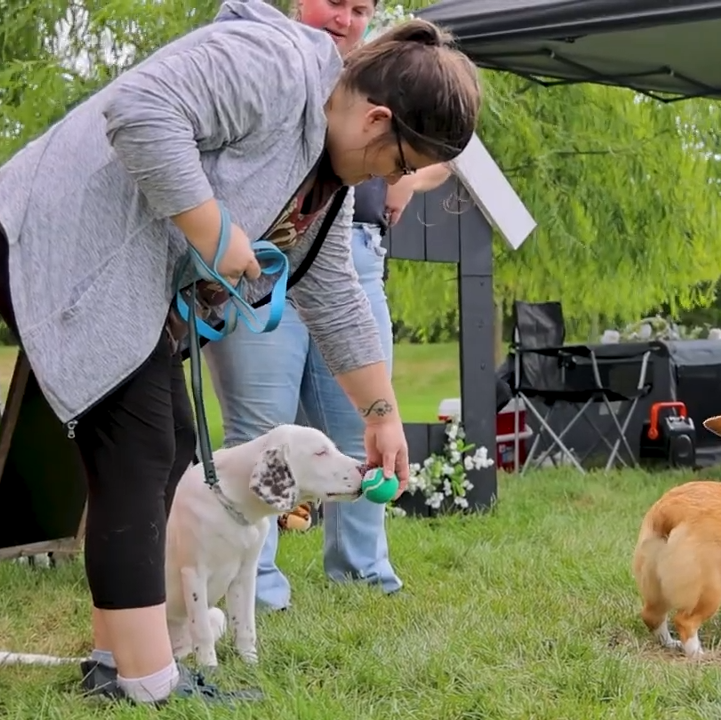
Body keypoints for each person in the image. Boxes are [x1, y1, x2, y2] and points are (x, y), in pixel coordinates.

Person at [0, 0, 480, 705]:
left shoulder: (324, 176)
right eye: (396, 164)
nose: (376, 181)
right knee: (143, 449)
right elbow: (139, 110)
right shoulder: (273, 64)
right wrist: (219, 236)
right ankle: (149, 687)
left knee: (167, 443)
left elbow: (332, 293)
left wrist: (380, 412)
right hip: (54, 247)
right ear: (376, 121)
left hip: (123, 278)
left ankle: (115, 664)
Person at [203, 0, 453, 611]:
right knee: (260, 423)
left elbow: (447, 155)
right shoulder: (268, 69)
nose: (344, 17)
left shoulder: (389, 73)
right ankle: (252, 586)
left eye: (360, 7)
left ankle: (365, 572)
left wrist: (405, 177)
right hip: (260, 259)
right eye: (332, 2)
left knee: (359, 424)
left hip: (355, 259)